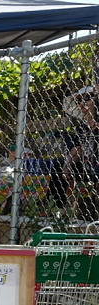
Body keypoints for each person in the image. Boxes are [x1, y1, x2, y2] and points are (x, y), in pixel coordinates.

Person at [61, 85, 99, 219]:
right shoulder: (83, 127)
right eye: (79, 101)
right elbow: (76, 150)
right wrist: (66, 165)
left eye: (87, 98)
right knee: (57, 165)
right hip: (87, 167)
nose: (82, 103)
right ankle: (58, 210)